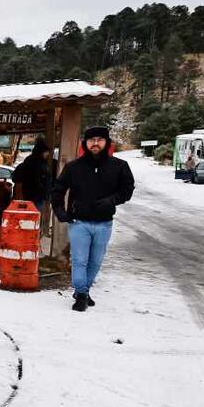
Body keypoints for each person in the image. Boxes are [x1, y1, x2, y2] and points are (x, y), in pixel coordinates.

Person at [49, 126, 135, 312]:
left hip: (104, 223)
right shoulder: (74, 167)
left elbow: (127, 190)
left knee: (95, 261)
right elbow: (58, 189)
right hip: (79, 222)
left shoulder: (119, 166)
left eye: (99, 139)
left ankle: (84, 290)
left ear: (107, 143)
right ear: (85, 143)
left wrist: (112, 200)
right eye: (91, 140)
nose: (95, 143)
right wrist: (60, 211)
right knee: (80, 260)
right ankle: (81, 294)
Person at [12, 139, 53, 209]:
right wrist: (44, 192)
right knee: (35, 214)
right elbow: (39, 180)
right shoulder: (39, 164)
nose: (48, 154)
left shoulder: (29, 161)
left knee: (31, 215)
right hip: (37, 196)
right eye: (46, 152)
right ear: (42, 152)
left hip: (29, 195)